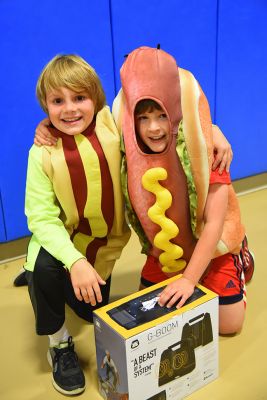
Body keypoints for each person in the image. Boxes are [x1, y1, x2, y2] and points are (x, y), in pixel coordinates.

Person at [113, 46, 254, 335]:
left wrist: (190, 279)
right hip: (166, 250)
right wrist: (46, 126)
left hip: (212, 247)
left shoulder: (209, 149)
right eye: (143, 118)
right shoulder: (128, 151)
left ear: (175, 113)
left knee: (229, 325)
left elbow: (214, 222)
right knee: (150, 314)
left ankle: (240, 257)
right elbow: (86, 127)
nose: (153, 128)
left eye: (161, 116)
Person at [24, 54, 130, 396]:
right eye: (58, 101)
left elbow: (160, 116)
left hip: (101, 244)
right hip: (63, 241)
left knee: (89, 312)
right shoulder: (42, 151)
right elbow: (40, 217)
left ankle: (61, 277)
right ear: (45, 106)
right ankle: (59, 345)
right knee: (42, 268)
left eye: (79, 98)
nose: (69, 110)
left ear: (96, 100)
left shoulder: (112, 124)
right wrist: (74, 261)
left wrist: (214, 131)